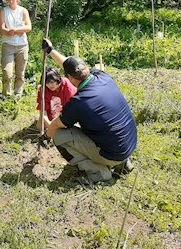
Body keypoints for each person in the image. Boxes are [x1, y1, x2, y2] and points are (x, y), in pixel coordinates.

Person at [42, 38, 137, 185]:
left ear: (69, 78)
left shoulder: (78, 102)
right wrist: (50, 51)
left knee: (60, 136)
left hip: (111, 153)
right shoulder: (102, 76)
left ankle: (99, 173)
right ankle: (123, 164)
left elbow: (55, 126)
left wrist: (45, 137)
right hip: (128, 144)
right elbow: (70, 66)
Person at [0, 0, 32, 97]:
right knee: (7, 72)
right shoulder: (4, 11)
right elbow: (2, 29)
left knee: (20, 73)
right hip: (8, 45)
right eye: (8, 0)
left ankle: (17, 95)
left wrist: (15, 30)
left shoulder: (23, 11)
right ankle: (6, 95)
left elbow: (28, 27)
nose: (10, 1)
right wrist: (14, 31)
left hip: (22, 45)